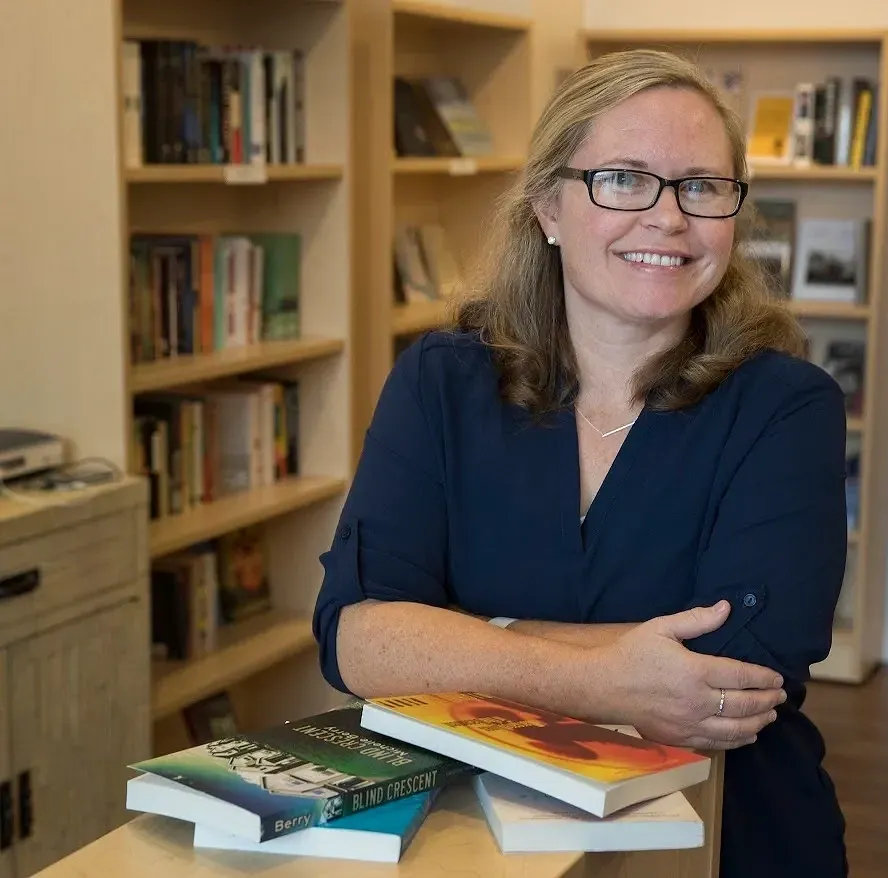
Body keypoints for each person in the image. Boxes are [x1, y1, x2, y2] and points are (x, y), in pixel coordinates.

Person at [312, 48, 850, 876]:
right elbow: (356, 643)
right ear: (548, 207)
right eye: (625, 179)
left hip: (717, 835)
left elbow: (734, 683)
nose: (668, 217)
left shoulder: (787, 406)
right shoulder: (442, 381)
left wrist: (458, 638)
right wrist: (611, 679)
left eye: (702, 186)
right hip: (476, 840)